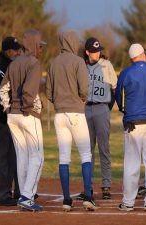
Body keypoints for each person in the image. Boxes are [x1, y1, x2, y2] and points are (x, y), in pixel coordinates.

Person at [46, 31, 96, 211]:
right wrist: (79, 100)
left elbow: (48, 93)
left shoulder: (53, 63)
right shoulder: (78, 61)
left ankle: (66, 200)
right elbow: (84, 90)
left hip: (59, 115)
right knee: (85, 155)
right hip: (76, 113)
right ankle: (88, 197)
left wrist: (60, 102)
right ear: (73, 43)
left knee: (64, 158)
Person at [0, 29, 46, 212]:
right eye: (40, 44)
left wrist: (7, 108)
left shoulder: (14, 62)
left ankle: (23, 195)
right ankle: (27, 196)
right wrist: (27, 108)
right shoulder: (34, 63)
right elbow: (29, 91)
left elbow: (4, 88)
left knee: (23, 156)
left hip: (12, 115)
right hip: (27, 115)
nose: (41, 48)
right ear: (34, 44)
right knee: (38, 156)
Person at [116, 43, 146, 211]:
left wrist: (128, 111)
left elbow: (120, 101)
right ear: (143, 54)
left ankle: (128, 202)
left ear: (131, 58)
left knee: (132, 164)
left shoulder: (125, 73)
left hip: (134, 124)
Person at [0, 36, 21, 206]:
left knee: (14, 156)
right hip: (1, 119)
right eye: (16, 50)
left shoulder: (8, 66)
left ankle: (18, 191)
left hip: (11, 118)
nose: (18, 52)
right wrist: (8, 116)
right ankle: (3, 194)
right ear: (8, 51)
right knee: (5, 157)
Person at [83, 37, 117, 200]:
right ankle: (87, 187)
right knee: (87, 150)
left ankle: (106, 184)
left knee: (104, 148)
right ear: (87, 52)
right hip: (85, 109)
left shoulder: (107, 65)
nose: (98, 53)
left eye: (99, 50)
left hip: (102, 108)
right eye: (94, 51)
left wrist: (106, 108)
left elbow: (115, 89)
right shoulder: (81, 66)